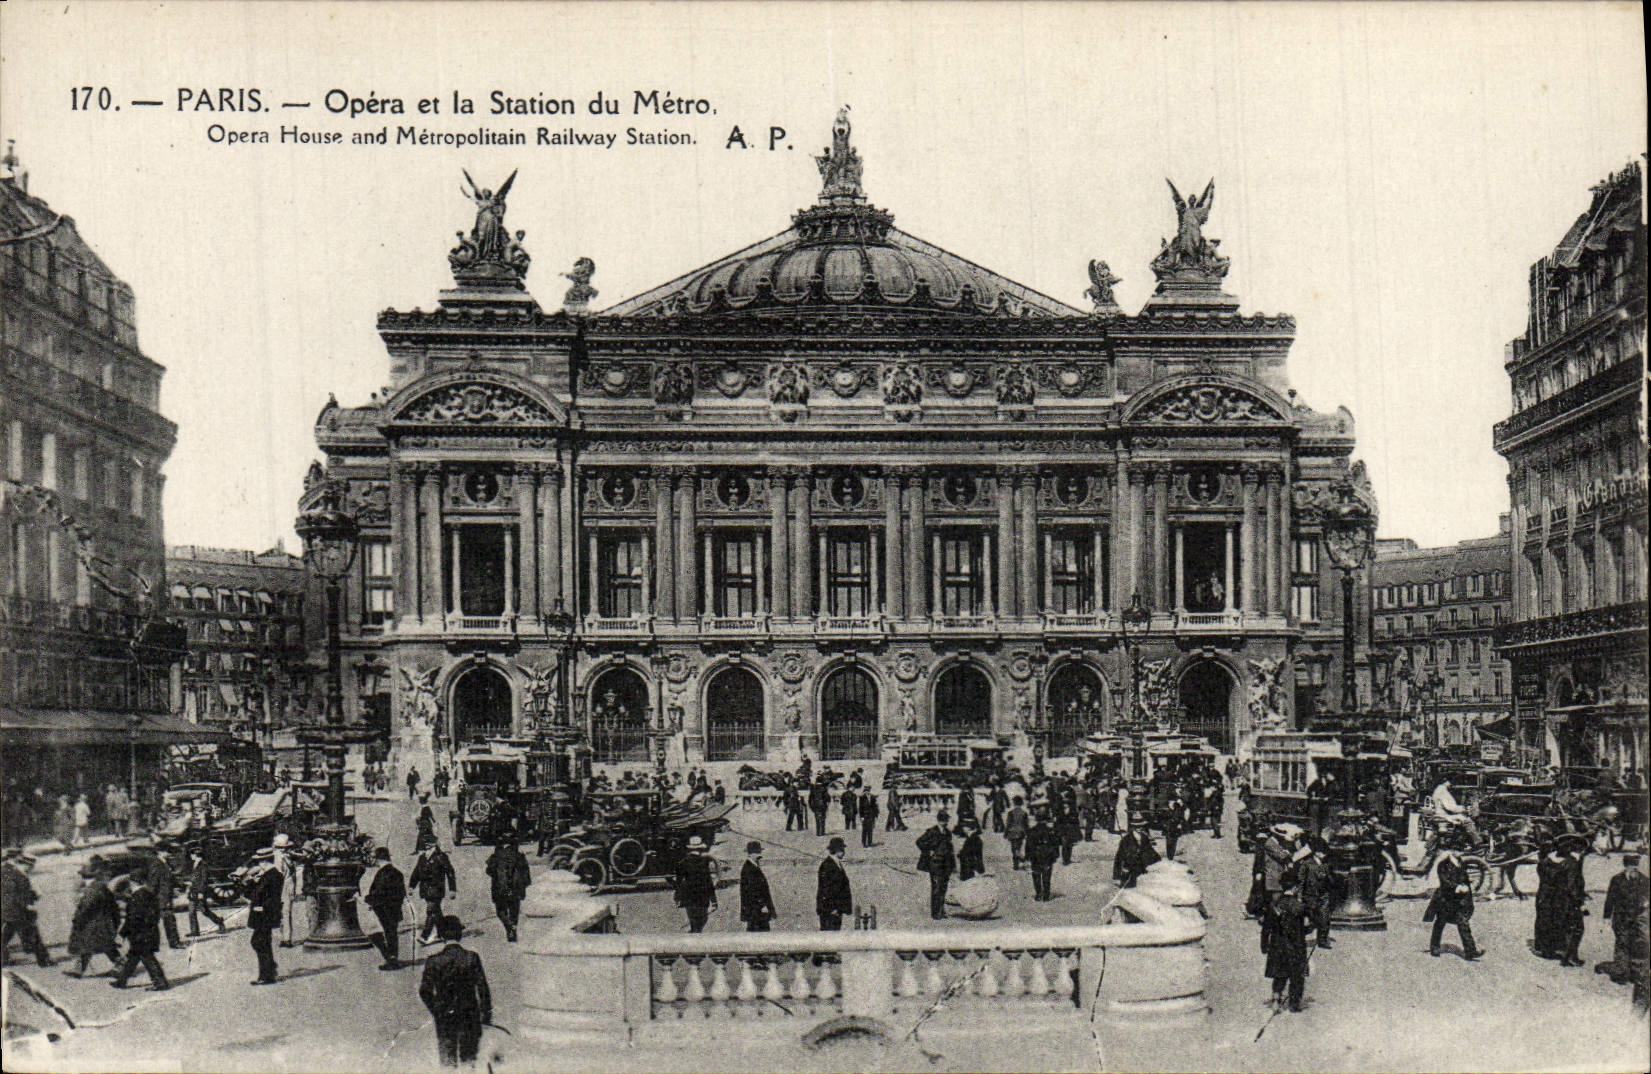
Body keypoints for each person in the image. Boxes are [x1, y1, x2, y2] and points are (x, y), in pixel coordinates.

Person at [419, 915, 492, 1069]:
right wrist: (486, 1015)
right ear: (459, 934)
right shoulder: (471, 957)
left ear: (441, 936)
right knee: (469, 1058)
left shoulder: (433, 961)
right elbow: (482, 988)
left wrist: (437, 1010)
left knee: (447, 1058)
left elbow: (424, 991)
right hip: (469, 1014)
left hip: (445, 1016)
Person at [1598, 853, 1648, 1000]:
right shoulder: (1617, 880)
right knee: (1622, 943)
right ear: (1625, 865)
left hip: (1637, 919)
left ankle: (1635, 973)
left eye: (1635, 865)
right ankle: (1621, 973)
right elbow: (1610, 899)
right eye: (1630, 864)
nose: (1633, 868)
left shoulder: (1644, 880)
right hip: (1620, 919)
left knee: (1637, 944)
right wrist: (1607, 917)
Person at [1425, 838, 1483, 960]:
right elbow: (1444, 881)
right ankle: (1434, 947)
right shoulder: (1443, 864)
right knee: (1440, 923)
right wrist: (1457, 887)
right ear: (1451, 851)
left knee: (1463, 923)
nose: (1460, 853)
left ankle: (1470, 951)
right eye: (1458, 850)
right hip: (1445, 899)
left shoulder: (1461, 863)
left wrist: (1466, 889)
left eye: (1461, 850)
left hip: (1459, 901)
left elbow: (1465, 879)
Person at [110, 875, 169, 991]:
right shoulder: (149, 894)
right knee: (133, 957)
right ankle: (121, 981)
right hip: (149, 932)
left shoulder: (137, 897)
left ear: (133, 883)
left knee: (147, 957)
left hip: (141, 934)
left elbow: (132, 919)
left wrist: (122, 934)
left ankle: (161, 983)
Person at [1264, 875, 1312, 1013]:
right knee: (1297, 976)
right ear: (1295, 888)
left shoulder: (1275, 905)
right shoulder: (1300, 907)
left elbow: (1267, 926)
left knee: (1279, 974)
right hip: (1295, 945)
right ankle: (1294, 1004)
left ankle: (1276, 999)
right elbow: (1308, 925)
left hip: (1278, 945)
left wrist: (1264, 944)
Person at [66, 860, 121, 977]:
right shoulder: (101, 888)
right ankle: (78, 970)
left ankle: (123, 966)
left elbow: (86, 906)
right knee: (95, 946)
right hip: (101, 924)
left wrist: (78, 918)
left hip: (93, 925)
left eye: (84, 876)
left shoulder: (93, 889)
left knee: (98, 946)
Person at [2, 849, 53, 967]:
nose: (30, 870)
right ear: (23, 864)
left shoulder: (6, 871)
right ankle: (44, 960)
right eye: (29, 867)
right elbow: (21, 896)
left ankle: (3, 960)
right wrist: (34, 897)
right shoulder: (19, 876)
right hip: (16, 911)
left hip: (6, 910)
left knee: (6, 935)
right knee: (33, 934)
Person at [131, 839, 185, 950]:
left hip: (165, 897)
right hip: (160, 898)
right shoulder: (157, 864)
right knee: (168, 920)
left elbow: (168, 880)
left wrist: (175, 888)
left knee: (161, 921)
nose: (169, 854)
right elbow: (153, 883)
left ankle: (163, 943)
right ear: (160, 852)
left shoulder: (163, 863)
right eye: (167, 851)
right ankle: (174, 943)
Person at [246, 846, 284, 985]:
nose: (259, 865)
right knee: (262, 942)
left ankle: (267, 974)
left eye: (260, 862)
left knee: (259, 942)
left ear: (266, 861)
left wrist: (252, 881)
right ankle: (269, 969)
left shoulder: (273, 875)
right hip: (263, 914)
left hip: (265, 914)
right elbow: (251, 893)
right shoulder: (267, 875)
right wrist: (252, 881)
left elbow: (259, 894)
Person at [364, 846, 406, 969]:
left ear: (379, 859)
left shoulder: (382, 873)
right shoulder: (398, 873)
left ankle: (390, 959)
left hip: (383, 908)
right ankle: (393, 958)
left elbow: (379, 892)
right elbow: (401, 892)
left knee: (381, 933)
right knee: (392, 933)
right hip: (395, 908)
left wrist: (368, 900)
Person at [410, 840, 459, 944]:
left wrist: (452, 889)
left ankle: (424, 936)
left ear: (434, 846)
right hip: (425, 890)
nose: (427, 848)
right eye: (426, 846)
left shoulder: (441, 857)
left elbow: (450, 872)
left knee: (431, 910)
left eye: (429, 846)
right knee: (436, 912)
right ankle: (442, 933)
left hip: (437, 889)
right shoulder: (422, 857)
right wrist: (411, 886)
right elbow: (416, 873)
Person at [484, 838, 531, 943]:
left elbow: (488, 871)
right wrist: (524, 886)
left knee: (500, 911)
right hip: (516, 889)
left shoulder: (496, 856)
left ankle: (508, 926)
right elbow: (526, 873)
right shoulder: (519, 855)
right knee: (514, 909)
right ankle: (513, 926)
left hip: (500, 888)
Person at [915, 812, 956, 920]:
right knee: (937, 888)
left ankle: (941, 911)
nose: (945, 823)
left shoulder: (947, 833)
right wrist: (928, 852)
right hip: (935, 864)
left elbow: (950, 850)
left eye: (946, 820)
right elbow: (919, 842)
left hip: (946, 864)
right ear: (938, 820)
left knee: (943, 888)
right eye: (943, 820)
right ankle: (935, 913)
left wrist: (953, 866)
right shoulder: (932, 832)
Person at [674, 835, 717, 933]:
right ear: (701, 849)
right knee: (702, 921)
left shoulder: (683, 863)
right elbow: (709, 882)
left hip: (689, 897)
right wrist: (714, 900)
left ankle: (693, 934)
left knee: (694, 921)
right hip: (703, 897)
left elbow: (678, 883)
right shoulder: (704, 862)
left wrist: (677, 897)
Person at [1298, 839, 1334, 950]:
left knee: (1324, 918)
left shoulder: (1326, 865)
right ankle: (1299, 939)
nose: (1324, 855)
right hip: (1310, 896)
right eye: (1322, 852)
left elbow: (1331, 880)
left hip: (1323, 895)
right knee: (1311, 920)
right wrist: (1299, 896)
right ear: (1316, 853)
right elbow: (1301, 881)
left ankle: (1322, 940)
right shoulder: (1307, 864)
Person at [272, 832, 305, 947]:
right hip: (288, 886)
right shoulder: (289, 858)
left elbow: (278, 874)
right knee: (286, 913)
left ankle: (284, 938)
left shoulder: (277, 858)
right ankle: (286, 938)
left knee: (282, 913)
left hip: (280, 886)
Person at [185, 846, 226, 937]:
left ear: (196, 855)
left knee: (204, 911)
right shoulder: (195, 864)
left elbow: (204, 880)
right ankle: (194, 931)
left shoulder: (203, 865)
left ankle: (219, 921)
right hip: (193, 891)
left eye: (192, 854)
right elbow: (194, 878)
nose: (191, 856)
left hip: (199, 892)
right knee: (191, 911)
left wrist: (201, 892)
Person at [816, 837, 854, 930]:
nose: (843, 852)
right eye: (841, 849)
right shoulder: (827, 865)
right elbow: (825, 889)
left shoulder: (836, 864)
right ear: (836, 850)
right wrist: (831, 908)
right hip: (830, 911)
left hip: (836, 909)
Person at [738, 841, 775, 932]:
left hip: (755, 910)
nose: (760, 856)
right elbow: (752, 891)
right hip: (756, 910)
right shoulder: (749, 869)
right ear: (751, 854)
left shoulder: (752, 866)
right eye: (758, 853)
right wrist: (763, 905)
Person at [1026, 810, 1062, 902]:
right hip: (1048, 855)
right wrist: (1055, 855)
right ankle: (1046, 894)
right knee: (1047, 875)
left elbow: (1029, 844)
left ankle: (1038, 894)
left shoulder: (1032, 830)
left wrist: (1028, 855)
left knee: (1036, 874)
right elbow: (1055, 844)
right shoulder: (1050, 831)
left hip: (1035, 855)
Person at [1112, 824, 1160, 890]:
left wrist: (1158, 860)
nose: (1139, 828)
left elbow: (1150, 850)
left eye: (1140, 826)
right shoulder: (1126, 839)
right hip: (1128, 871)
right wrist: (1117, 875)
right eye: (1136, 827)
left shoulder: (1144, 837)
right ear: (1133, 827)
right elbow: (1119, 857)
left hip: (1140, 870)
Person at [1004, 796, 1029, 871]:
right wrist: (1027, 832)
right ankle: (1019, 859)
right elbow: (1026, 824)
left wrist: (1006, 833)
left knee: (1013, 848)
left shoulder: (1010, 813)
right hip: (1021, 832)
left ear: (1014, 803)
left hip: (1012, 832)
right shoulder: (1024, 813)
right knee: (1018, 846)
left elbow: (1008, 824)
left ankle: (1016, 864)